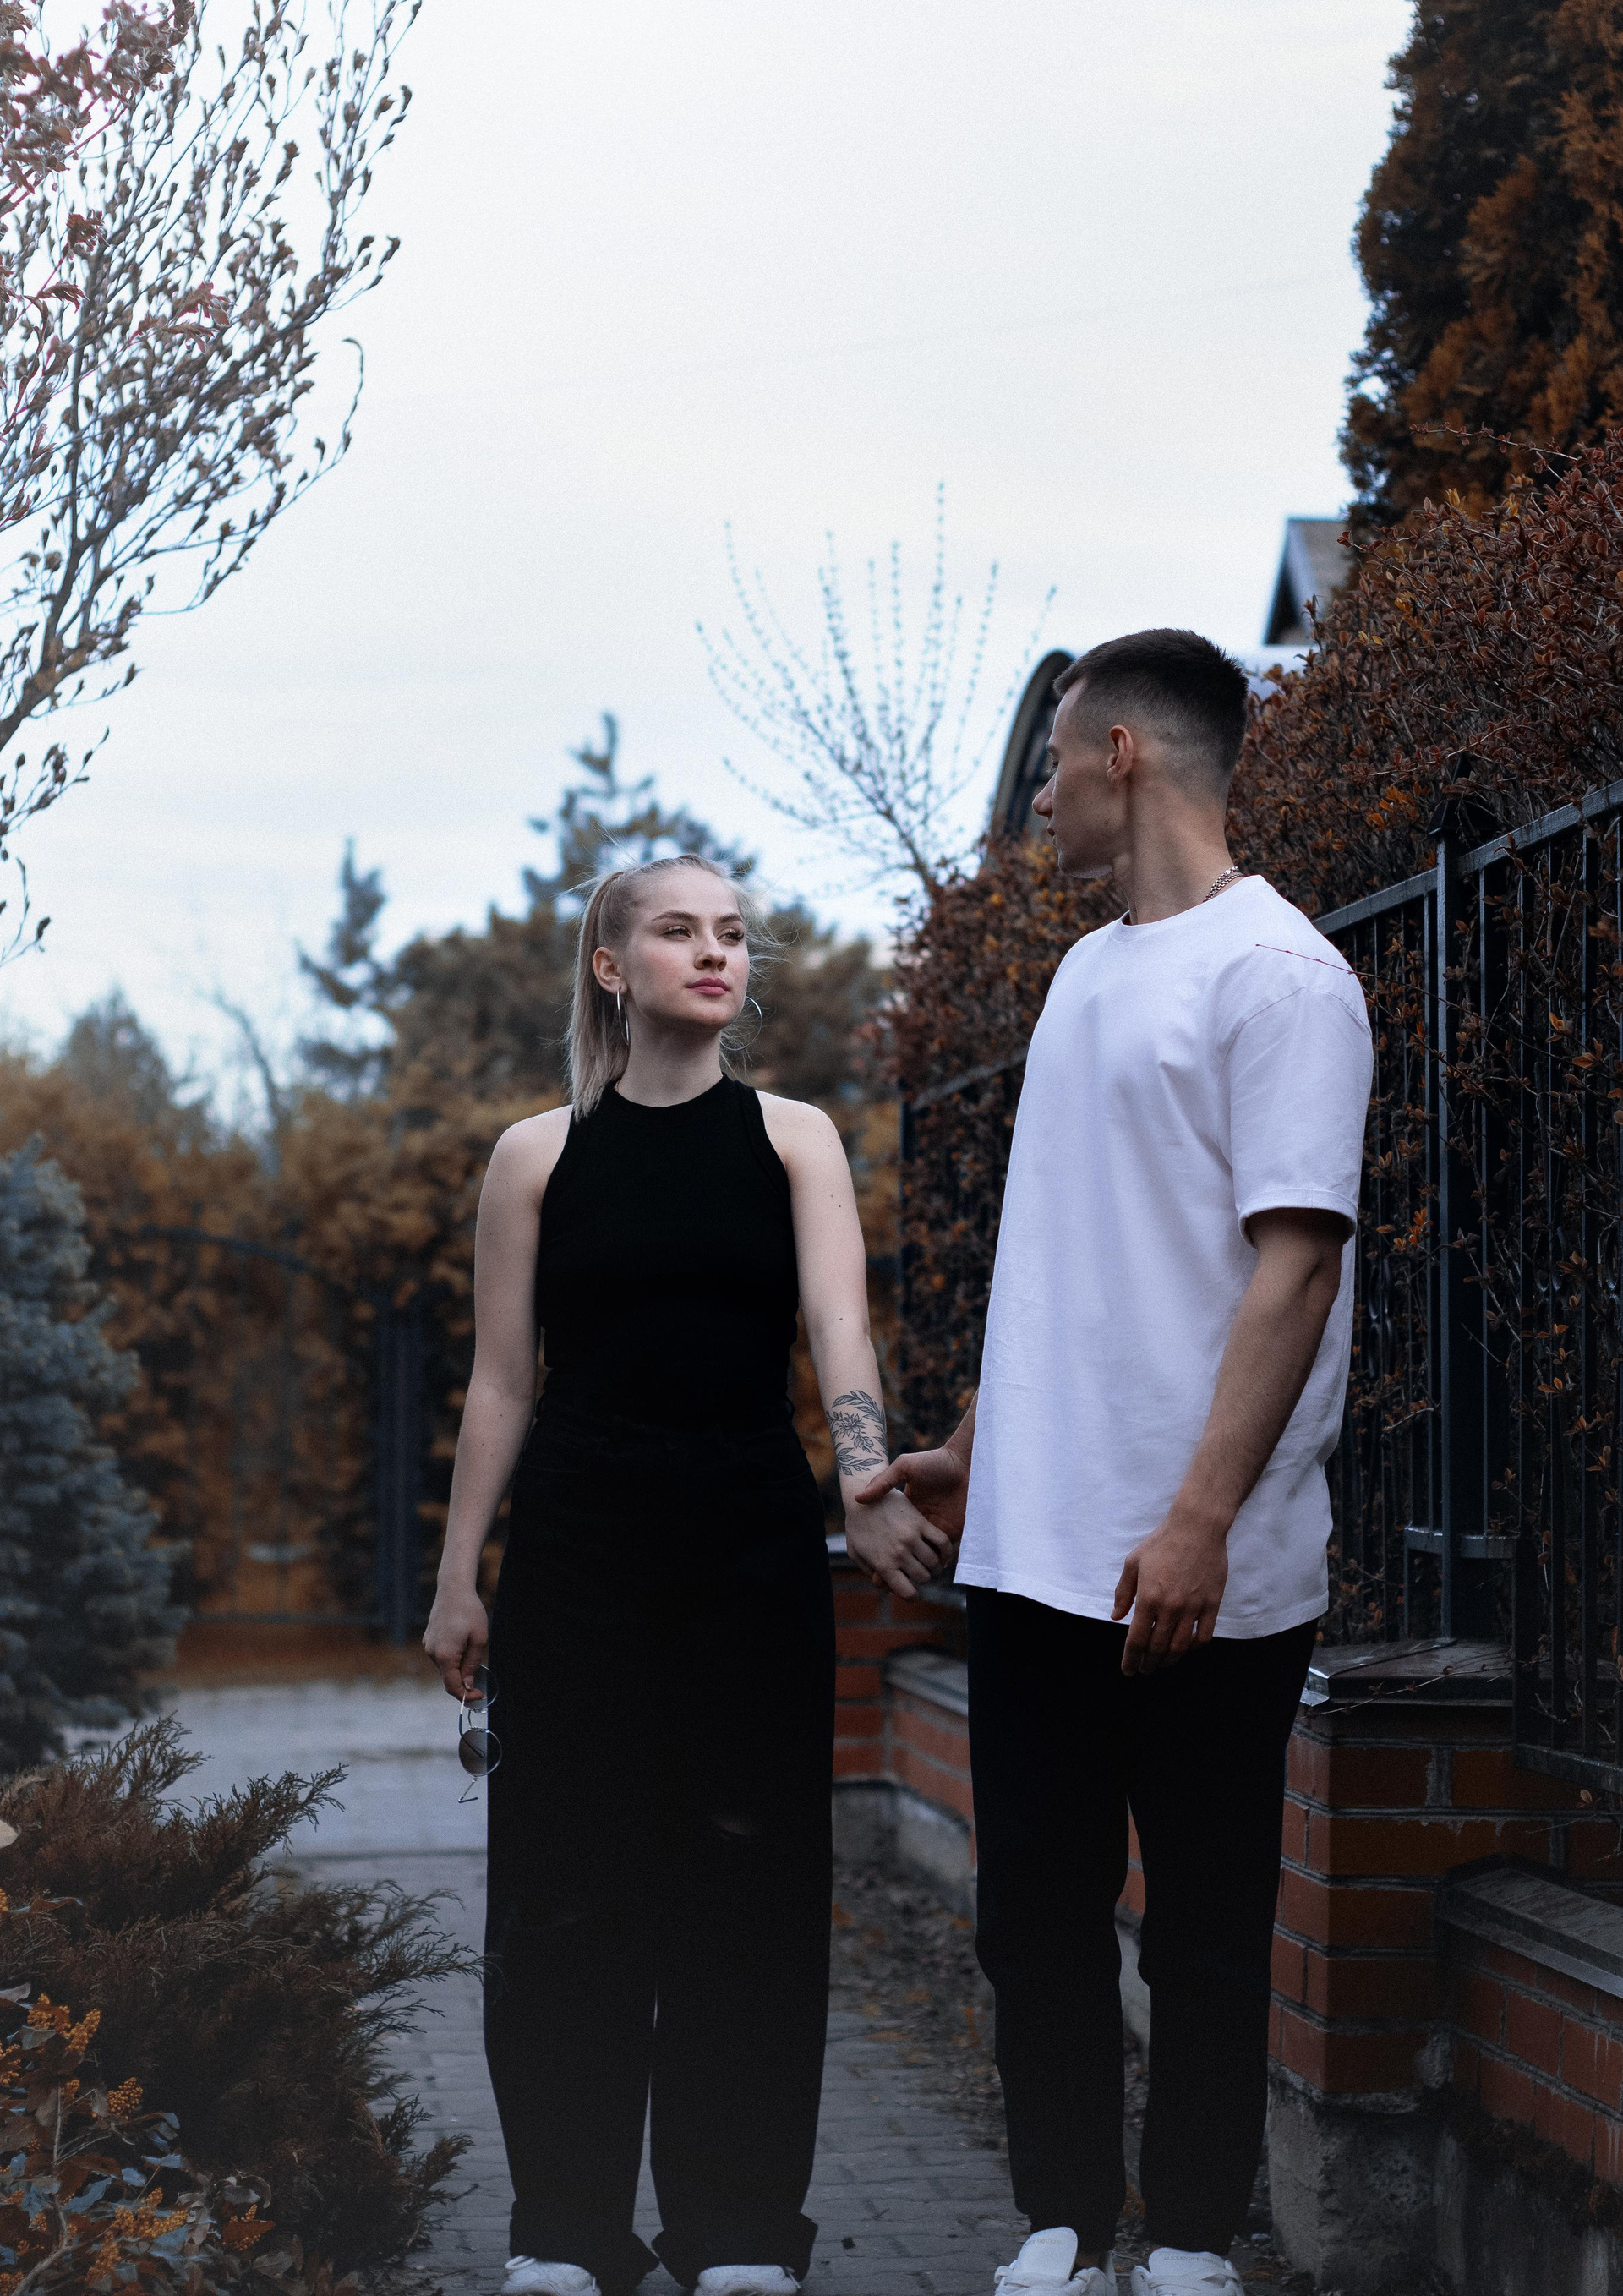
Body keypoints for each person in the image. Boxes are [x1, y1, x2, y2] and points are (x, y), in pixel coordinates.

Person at [859, 631, 1374, 2296]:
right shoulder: (1084, 975)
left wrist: (1202, 1519)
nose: (1041, 793)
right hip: (1032, 1552)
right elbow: (1067, 1258)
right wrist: (975, 1448)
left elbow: (1296, 1268)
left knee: (1208, 1926)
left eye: (1054, 760)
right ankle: (1065, 2225)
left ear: (1127, 754)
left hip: (1204, 1565)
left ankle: (1197, 2240)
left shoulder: (1282, 977)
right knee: (1034, 1919)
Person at [422, 852, 947, 2296]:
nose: (715, 954)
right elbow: (500, 1382)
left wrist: (864, 1486)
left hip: (748, 1541)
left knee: (750, 1880)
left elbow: (839, 1333)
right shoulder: (536, 1156)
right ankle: (564, 2231)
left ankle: (738, 2235)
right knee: (564, 1888)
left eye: (731, 934)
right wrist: (459, 1577)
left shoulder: (796, 1140)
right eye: (677, 932)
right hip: (577, 1550)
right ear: (612, 968)